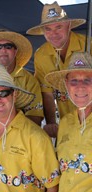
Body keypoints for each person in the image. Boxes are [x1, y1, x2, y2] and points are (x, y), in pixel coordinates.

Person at [26, 1, 92, 137]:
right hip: (66, 123)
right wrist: (51, 123)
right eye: (48, 29)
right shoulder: (41, 55)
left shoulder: (89, 45)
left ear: (68, 26)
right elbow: (47, 93)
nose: (53, 33)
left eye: (58, 27)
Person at [45, 52, 92, 191]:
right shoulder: (65, 122)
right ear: (66, 85)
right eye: (74, 81)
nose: (80, 87)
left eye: (87, 80)